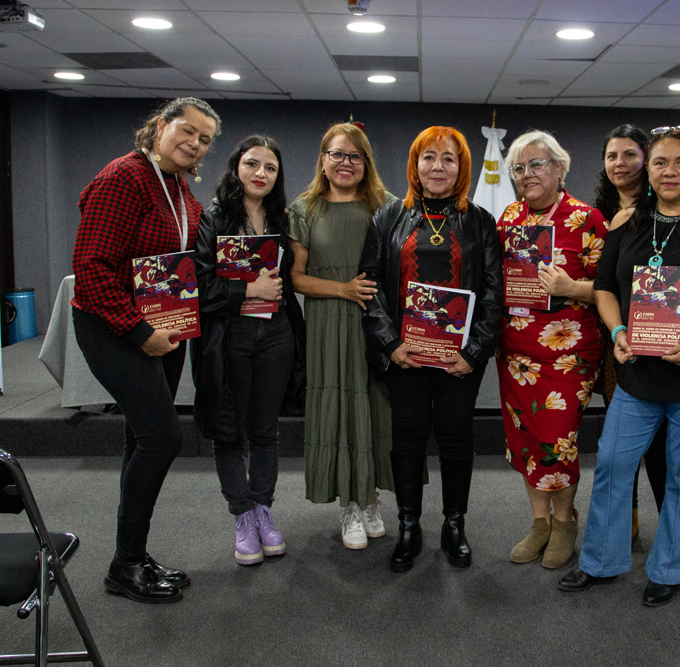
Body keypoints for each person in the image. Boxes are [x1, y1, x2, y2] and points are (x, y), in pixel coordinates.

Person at [559, 125, 680, 607]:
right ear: (650, 170)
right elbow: (605, 288)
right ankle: (601, 561)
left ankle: (671, 568)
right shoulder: (626, 222)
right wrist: (619, 332)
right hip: (638, 374)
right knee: (612, 464)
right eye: (661, 162)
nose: (670, 171)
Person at [72, 97, 221, 603]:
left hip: (165, 323)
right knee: (162, 438)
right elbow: (91, 269)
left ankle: (132, 553)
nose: (195, 143)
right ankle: (125, 563)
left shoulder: (178, 187)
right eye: (188, 131)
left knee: (140, 440)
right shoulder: (124, 177)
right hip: (115, 326)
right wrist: (139, 331)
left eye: (204, 139)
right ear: (160, 125)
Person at [359, 126, 502, 572]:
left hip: (459, 360)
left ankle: (454, 524)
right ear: (414, 165)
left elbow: (495, 292)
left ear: (462, 168)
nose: (437, 167)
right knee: (408, 439)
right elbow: (371, 287)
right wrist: (391, 344)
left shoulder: (480, 221)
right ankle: (408, 525)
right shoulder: (386, 217)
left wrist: (473, 352)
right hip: (406, 356)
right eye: (428, 158)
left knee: (457, 438)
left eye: (448, 159)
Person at [192, 135, 305, 566]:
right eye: (252, 164)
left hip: (275, 333)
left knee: (265, 430)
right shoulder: (213, 216)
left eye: (270, 168)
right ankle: (241, 516)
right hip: (230, 337)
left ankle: (262, 509)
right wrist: (247, 288)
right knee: (229, 432)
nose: (261, 173)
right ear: (237, 167)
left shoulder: (282, 218)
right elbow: (200, 286)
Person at [498, 130, 608, 570]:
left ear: (560, 168)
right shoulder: (508, 217)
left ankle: (565, 520)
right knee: (525, 439)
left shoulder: (588, 219)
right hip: (515, 351)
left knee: (557, 439)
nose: (527, 174)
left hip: (568, 351)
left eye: (537, 165)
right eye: (519, 168)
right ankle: (539, 521)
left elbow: (613, 288)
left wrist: (572, 286)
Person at [289, 123, 399, 550]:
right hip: (329, 324)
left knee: (374, 407)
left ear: (366, 162)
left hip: (374, 324)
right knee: (337, 410)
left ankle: (370, 499)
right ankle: (348, 507)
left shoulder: (387, 206)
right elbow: (296, 279)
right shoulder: (304, 209)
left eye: (354, 156)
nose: (345, 163)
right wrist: (344, 289)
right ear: (322, 159)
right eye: (337, 154)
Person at [592, 124, 665, 543]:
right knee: (619, 446)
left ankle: (670, 526)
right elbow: (603, 283)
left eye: (630, 155)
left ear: (647, 158)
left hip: (663, 340)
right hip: (614, 343)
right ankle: (627, 523)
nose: (620, 163)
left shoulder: (675, 210)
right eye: (612, 156)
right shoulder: (597, 214)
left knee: (659, 444)